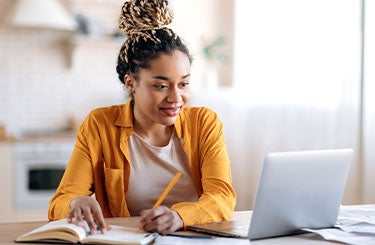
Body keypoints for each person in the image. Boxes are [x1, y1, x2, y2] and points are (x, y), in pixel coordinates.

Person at [48, 0, 236, 235]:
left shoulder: (204, 123)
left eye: (184, 84)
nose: (176, 97)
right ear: (130, 83)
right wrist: (75, 203)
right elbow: (59, 203)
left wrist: (179, 216)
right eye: (161, 85)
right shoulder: (99, 125)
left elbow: (222, 196)